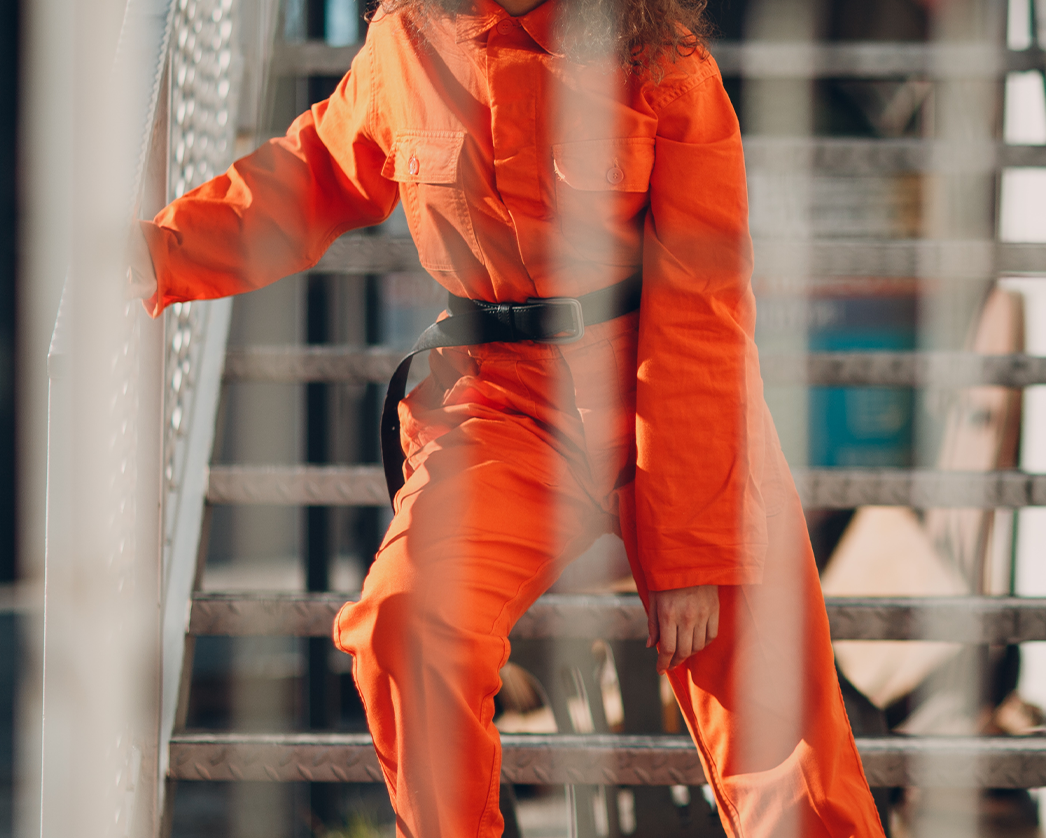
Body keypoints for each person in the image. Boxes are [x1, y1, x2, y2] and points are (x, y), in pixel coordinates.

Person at [132, 0, 885, 835]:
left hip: (669, 395)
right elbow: (307, 175)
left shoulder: (661, 60)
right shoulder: (407, 41)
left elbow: (703, 307)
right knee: (405, 621)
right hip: (500, 408)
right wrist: (154, 257)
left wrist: (693, 548)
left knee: (782, 731)